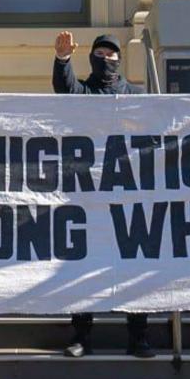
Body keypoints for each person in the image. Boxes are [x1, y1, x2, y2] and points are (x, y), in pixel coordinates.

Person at [50, 31, 154, 359]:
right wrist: (63, 59)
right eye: (101, 54)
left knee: (134, 267)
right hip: (89, 195)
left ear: (119, 59)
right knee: (83, 265)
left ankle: (138, 337)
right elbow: (65, 89)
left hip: (128, 195)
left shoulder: (136, 95)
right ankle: (81, 335)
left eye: (112, 54)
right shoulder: (84, 91)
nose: (107, 59)